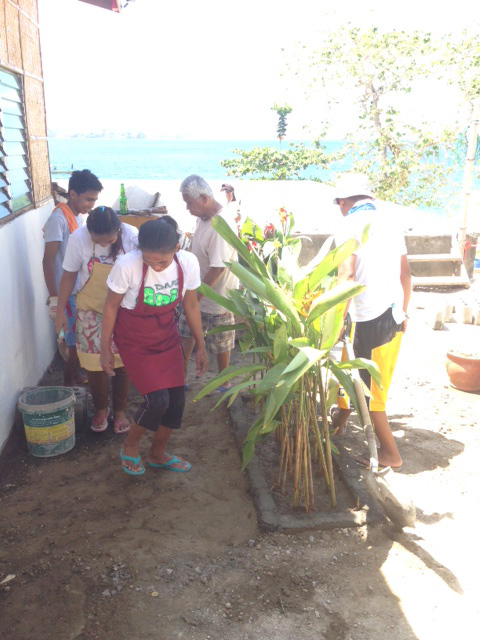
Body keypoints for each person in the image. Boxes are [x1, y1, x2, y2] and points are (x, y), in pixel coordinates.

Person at [100, 217, 208, 476]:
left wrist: (201, 345)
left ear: (176, 249)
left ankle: (157, 453)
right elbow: (111, 306)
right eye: (149, 261)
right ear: (140, 251)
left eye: (162, 262)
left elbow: (191, 305)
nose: (156, 267)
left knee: (177, 401)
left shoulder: (188, 263)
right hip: (134, 338)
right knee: (157, 400)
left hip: (166, 335)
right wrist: (105, 348)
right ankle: (130, 445)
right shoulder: (127, 265)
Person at [331, 173, 411, 470]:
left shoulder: (348, 225)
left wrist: (337, 320)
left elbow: (346, 275)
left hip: (369, 318)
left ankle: (390, 453)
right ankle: (340, 421)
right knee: (349, 372)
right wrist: (405, 310)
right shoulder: (390, 221)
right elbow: (406, 273)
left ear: (343, 202)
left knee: (372, 391)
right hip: (393, 313)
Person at [55, 206, 138, 434]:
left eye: (108, 241)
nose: (102, 244)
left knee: (123, 361)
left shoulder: (132, 236)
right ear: (88, 232)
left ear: (118, 231)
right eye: (97, 241)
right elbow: (69, 276)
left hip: (124, 308)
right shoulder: (78, 238)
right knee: (93, 363)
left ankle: (119, 411)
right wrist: (60, 311)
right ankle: (101, 409)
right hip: (90, 309)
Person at [178, 175, 239, 392]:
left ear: (204, 199)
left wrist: (195, 298)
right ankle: (180, 379)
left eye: (189, 203)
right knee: (185, 335)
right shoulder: (203, 217)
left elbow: (218, 269)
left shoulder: (221, 225)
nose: (187, 208)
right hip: (197, 291)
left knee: (221, 344)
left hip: (217, 297)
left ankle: (224, 383)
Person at [43, 169, 103, 385]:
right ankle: (68, 386)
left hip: (78, 290)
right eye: (88, 199)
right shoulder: (58, 219)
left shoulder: (76, 216)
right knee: (71, 341)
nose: (92, 205)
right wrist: (55, 299)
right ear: (73, 194)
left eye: (95, 200)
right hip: (65, 293)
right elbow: (47, 261)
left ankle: (76, 375)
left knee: (77, 338)